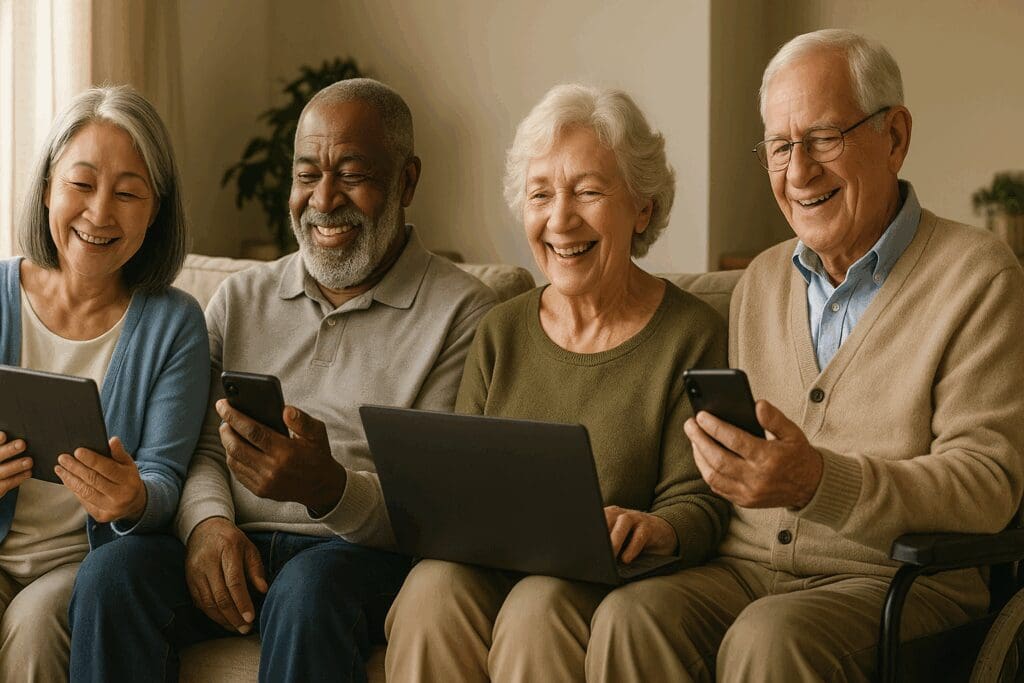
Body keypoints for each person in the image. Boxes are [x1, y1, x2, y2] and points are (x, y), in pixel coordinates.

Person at [584, 29, 1024, 682]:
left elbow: (986, 486)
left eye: (823, 138)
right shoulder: (760, 279)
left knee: (769, 637)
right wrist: (666, 520)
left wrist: (821, 482)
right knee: (630, 616)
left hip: (897, 580)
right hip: (742, 569)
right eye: (780, 146)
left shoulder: (978, 274)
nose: (798, 172)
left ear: (895, 136)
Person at [69, 78, 497, 683]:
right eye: (306, 175)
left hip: (355, 557)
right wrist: (209, 525)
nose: (323, 199)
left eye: (352, 174)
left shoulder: (465, 314)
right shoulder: (240, 297)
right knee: (113, 576)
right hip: (231, 541)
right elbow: (198, 444)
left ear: (406, 181)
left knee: (308, 587)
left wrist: (330, 489)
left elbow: (433, 507)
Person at [385, 83, 730, 682]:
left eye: (589, 192)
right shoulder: (500, 330)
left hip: (611, 577)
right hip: (493, 561)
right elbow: (459, 485)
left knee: (538, 606)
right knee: (428, 586)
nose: (560, 219)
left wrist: (656, 527)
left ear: (642, 208)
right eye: (540, 194)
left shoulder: (691, 333)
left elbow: (700, 502)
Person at [0, 85, 208, 682]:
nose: (99, 214)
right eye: (81, 184)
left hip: (80, 565)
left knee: (37, 626)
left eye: (127, 194)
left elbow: (165, 478)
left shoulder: (175, 324)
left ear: (156, 211)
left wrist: (134, 497)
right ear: (46, 189)